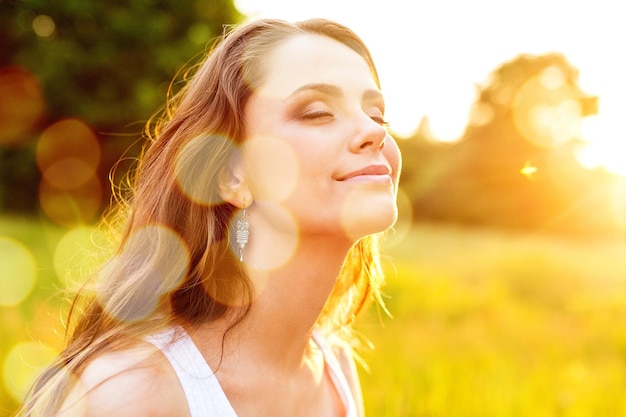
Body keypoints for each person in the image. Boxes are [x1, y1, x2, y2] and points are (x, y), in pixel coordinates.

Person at [19, 17, 402, 417]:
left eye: (377, 115)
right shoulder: (131, 395)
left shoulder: (335, 370)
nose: (372, 131)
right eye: (318, 112)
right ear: (231, 175)